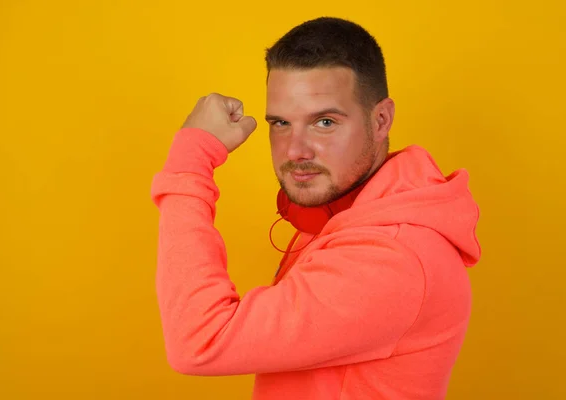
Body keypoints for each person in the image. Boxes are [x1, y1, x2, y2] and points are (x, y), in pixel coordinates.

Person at [150, 16, 481, 400]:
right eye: (281, 123)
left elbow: (200, 341)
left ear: (381, 119)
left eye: (324, 122)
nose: (295, 151)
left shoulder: (392, 256)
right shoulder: (348, 212)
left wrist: (192, 160)